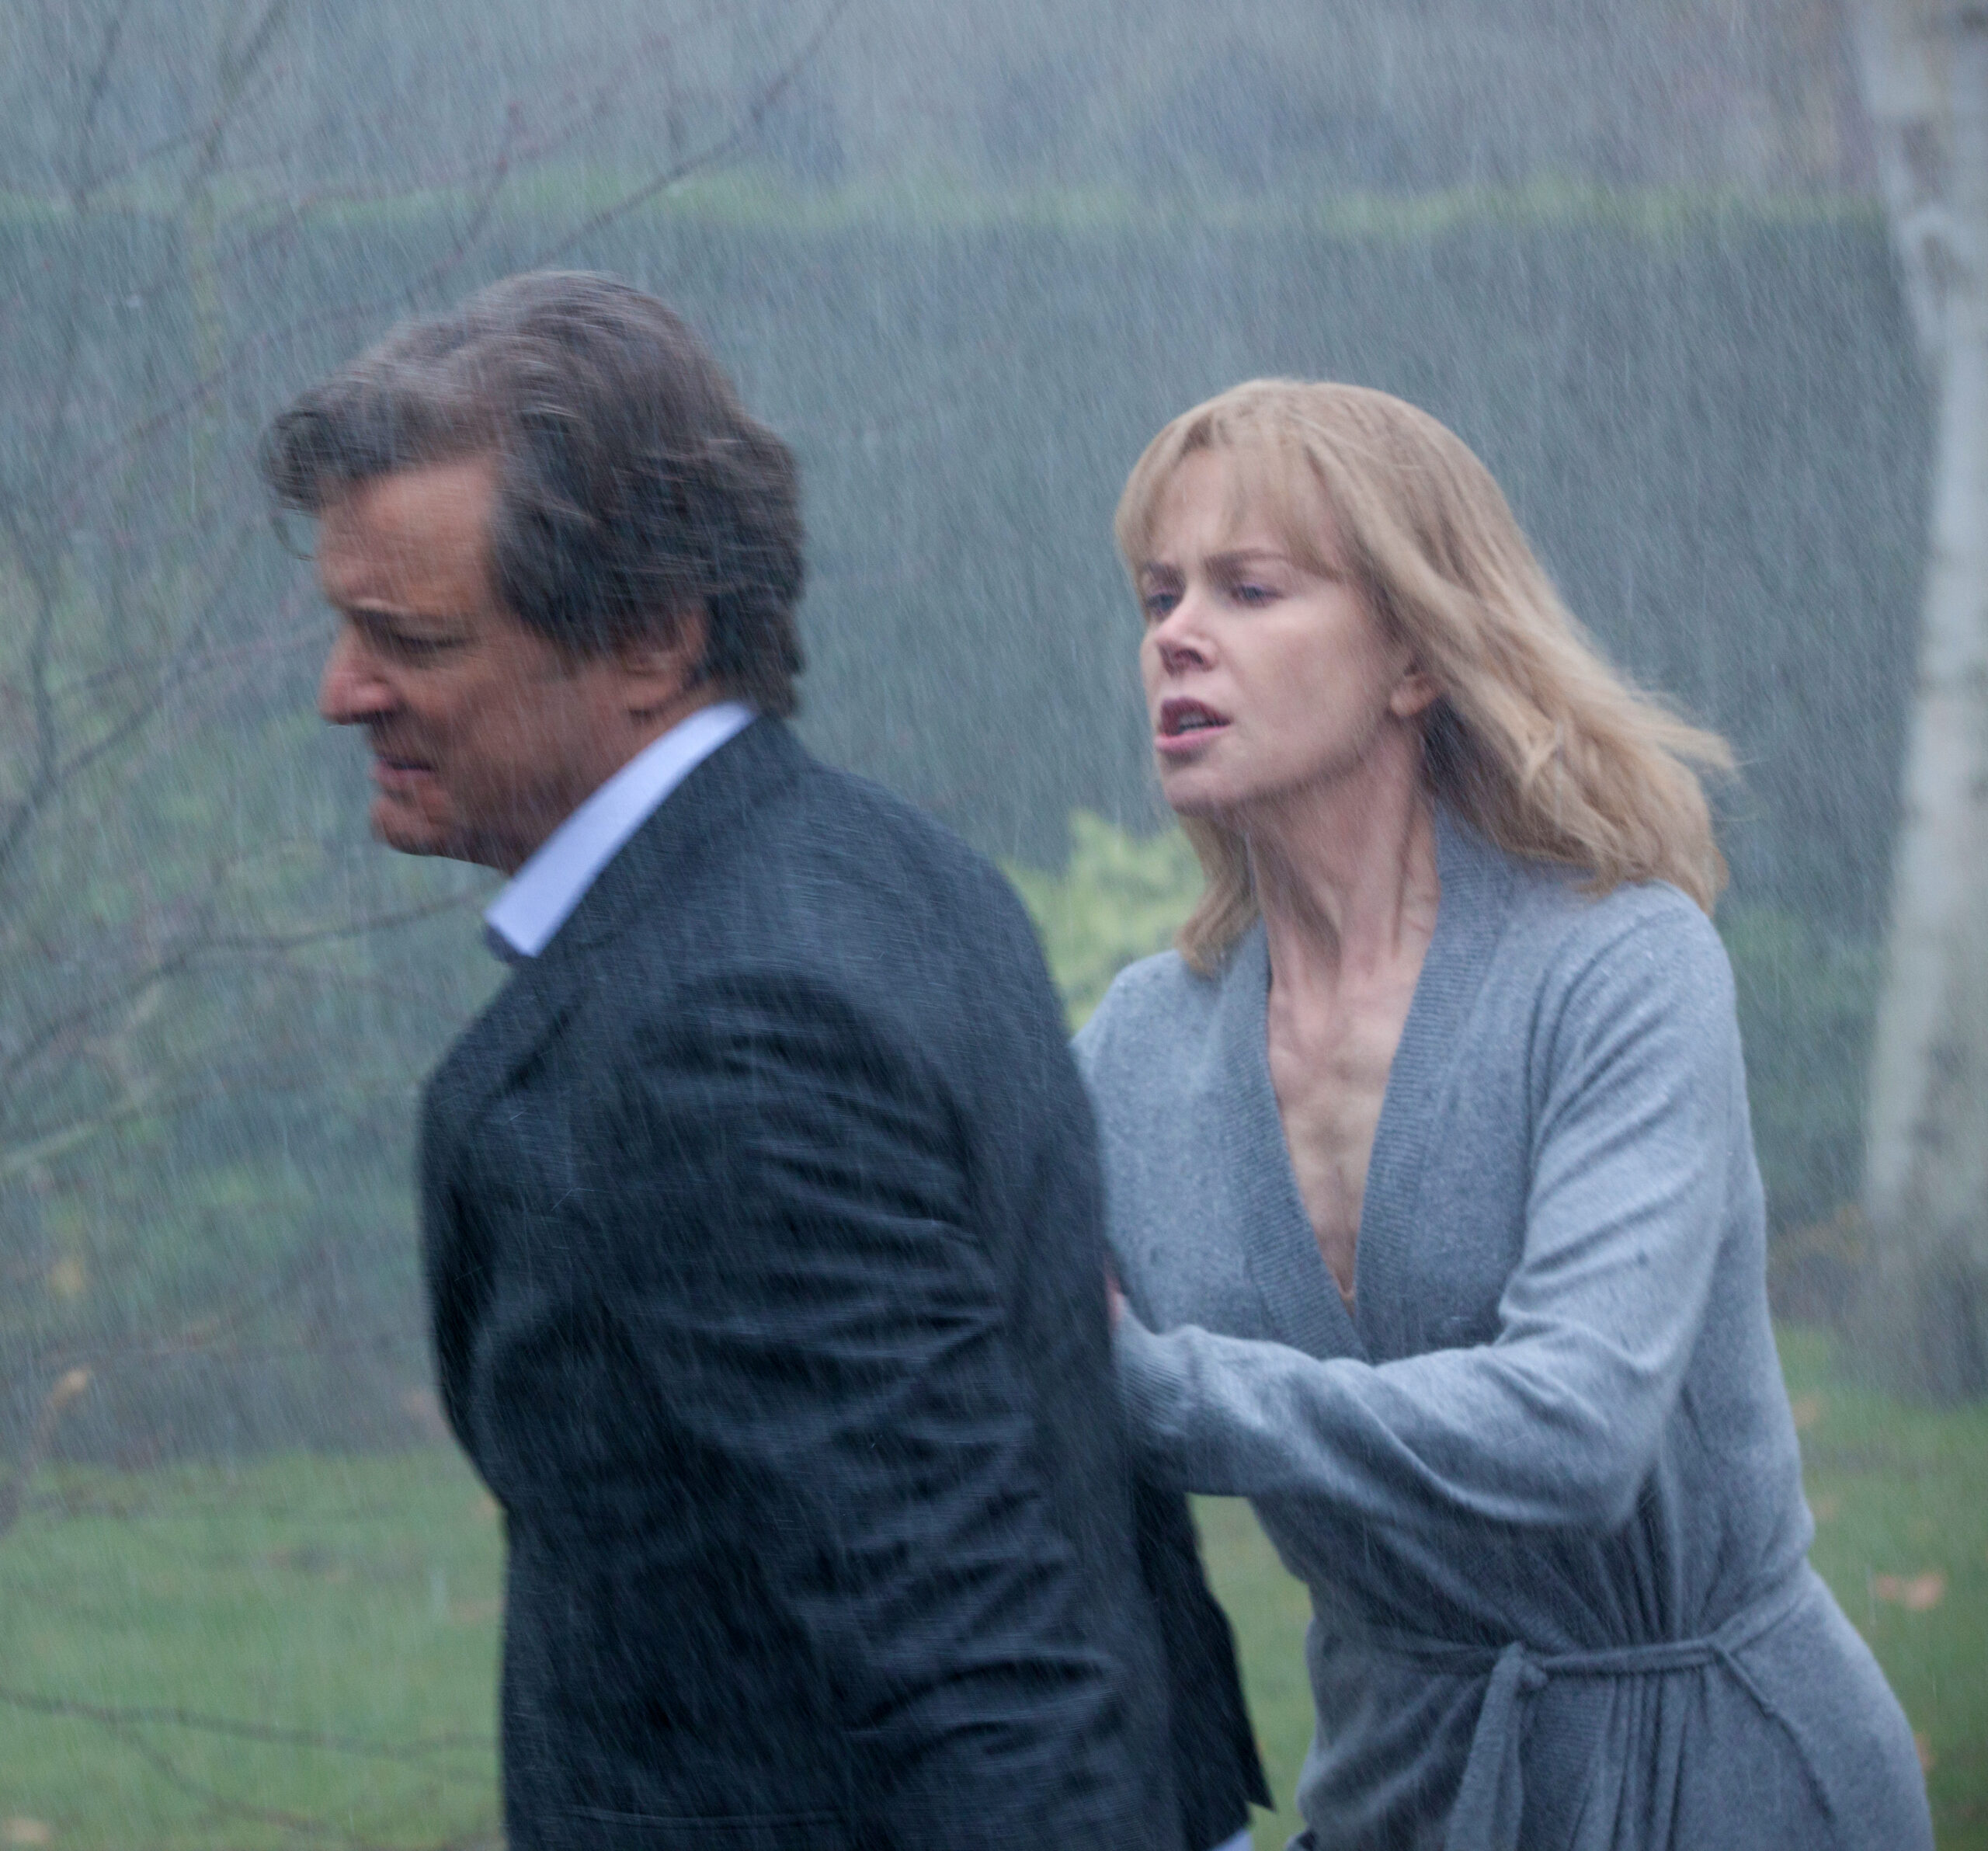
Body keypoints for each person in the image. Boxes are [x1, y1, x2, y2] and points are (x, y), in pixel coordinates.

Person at [260, 270, 1260, 1851]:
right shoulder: (887, 870)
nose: (342, 693)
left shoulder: (724, 1036)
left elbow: (978, 1658)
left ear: (655, 637)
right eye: (342, 625)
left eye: (408, 638)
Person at [1075, 378, 1934, 1851]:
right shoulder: (1137, 1052)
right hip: (1393, 1794)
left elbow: (1574, 1434)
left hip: (1723, 1781)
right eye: (1161, 595)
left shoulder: (1621, 965)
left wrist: (1158, 1390)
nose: (1178, 635)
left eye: (1250, 588)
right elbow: (991, 1389)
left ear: (1416, 654)